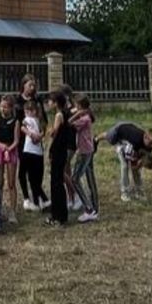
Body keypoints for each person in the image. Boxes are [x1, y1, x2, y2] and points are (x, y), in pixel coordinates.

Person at [100, 121, 152, 202]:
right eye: (151, 143)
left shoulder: (149, 145)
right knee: (125, 167)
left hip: (131, 140)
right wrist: (136, 165)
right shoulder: (135, 141)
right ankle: (125, 192)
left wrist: (140, 163)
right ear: (145, 137)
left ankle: (139, 192)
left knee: (137, 171)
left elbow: (142, 158)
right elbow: (129, 158)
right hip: (121, 140)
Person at [0, 96, 21, 223]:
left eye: (5, 107)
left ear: (11, 108)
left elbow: (17, 140)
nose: (3, 109)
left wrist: (9, 148)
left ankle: (12, 212)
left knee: (11, 183)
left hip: (11, 150)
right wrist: (0, 145)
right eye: (1, 106)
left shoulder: (16, 121)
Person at [45, 89, 74, 226]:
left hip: (58, 151)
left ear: (56, 103)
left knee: (56, 183)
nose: (48, 103)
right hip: (62, 150)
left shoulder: (59, 115)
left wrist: (49, 131)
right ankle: (60, 215)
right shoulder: (66, 113)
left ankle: (58, 216)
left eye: (50, 101)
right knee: (58, 181)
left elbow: (54, 133)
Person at [71, 94, 99, 223]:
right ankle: (93, 207)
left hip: (84, 152)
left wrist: (76, 114)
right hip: (87, 150)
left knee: (75, 179)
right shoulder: (86, 116)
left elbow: (69, 123)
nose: (74, 107)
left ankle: (89, 209)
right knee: (86, 177)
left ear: (81, 106)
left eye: (76, 105)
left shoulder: (84, 119)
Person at [19, 99, 47, 211]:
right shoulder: (27, 119)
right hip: (29, 149)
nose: (28, 113)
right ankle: (40, 199)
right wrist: (31, 134)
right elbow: (22, 126)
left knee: (36, 176)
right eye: (26, 110)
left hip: (37, 151)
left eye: (30, 110)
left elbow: (43, 132)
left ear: (35, 111)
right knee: (30, 175)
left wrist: (39, 137)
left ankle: (39, 199)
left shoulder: (39, 121)